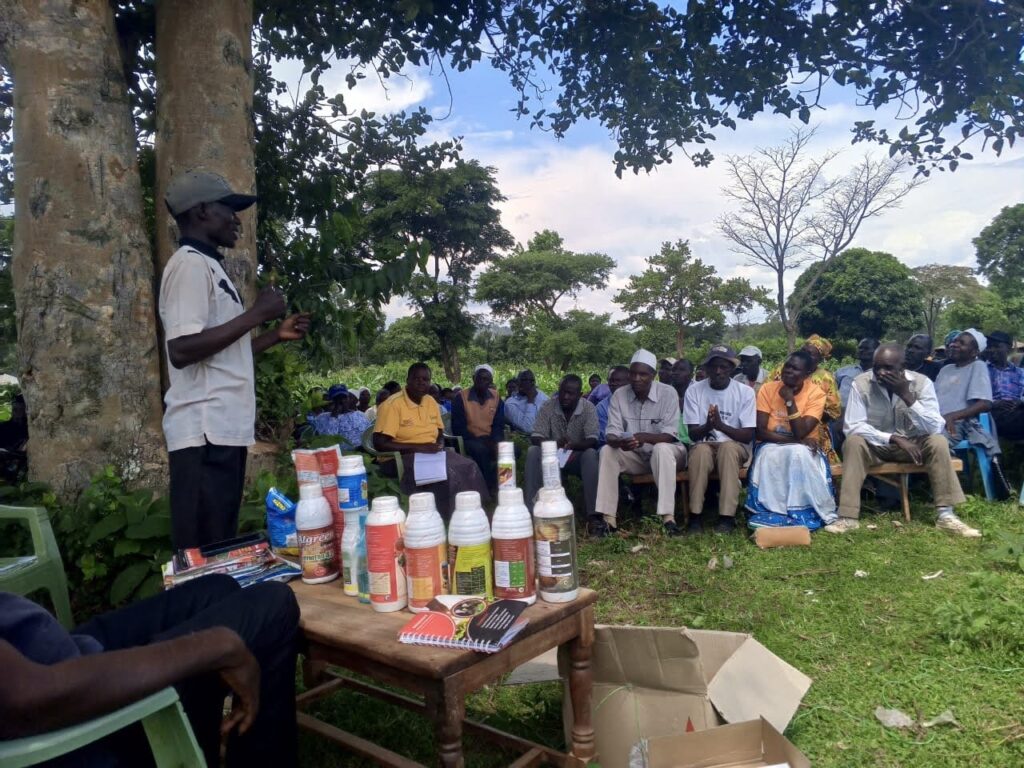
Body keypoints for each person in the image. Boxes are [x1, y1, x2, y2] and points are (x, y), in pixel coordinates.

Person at [0, 575, 300, 767]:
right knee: (274, 605)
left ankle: (202, 747)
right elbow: (23, 698)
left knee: (217, 589)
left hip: (47, 652)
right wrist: (212, 646)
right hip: (82, 725)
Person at [160, 170, 310, 550]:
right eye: (230, 209)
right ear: (202, 211)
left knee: (217, 543)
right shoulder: (189, 264)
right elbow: (181, 350)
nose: (237, 220)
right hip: (203, 432)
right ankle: (199, 608)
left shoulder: (209, 265)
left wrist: (275, 335)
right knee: (202, 552)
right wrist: (256, 315)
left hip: (221, 430)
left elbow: (219, 353)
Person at [827, 343, 979, 536]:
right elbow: (853, 426)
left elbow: (935, 426)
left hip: (914, 447)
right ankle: (847, 517)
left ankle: (946, 516)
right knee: (853, 441)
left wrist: (908, 397)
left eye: (888, 368)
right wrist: (893, 438)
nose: (881, 373)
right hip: (876, 448)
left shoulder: (922, 383)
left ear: (903, 366)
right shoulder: (861, 383)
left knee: (938, 441)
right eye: (877, 367)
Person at [373, 363, 490, 519]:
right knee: (448, 473)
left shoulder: (430, 402)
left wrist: (440, 443)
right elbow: (380, 443)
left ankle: (475, 510)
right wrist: (420, 448)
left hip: (430, 452)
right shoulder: (392, 405)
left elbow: (439, 431)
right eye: (417, 378)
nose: (422, 383)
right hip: (398, 457)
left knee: (468, 466)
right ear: (407, 380)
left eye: (426, 379)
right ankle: (452, 517)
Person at [593, 349, 687, 537]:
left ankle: (668, 519)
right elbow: (611, 433)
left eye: (643, 374)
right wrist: (621, 442)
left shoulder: (668, 393)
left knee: (661, 449)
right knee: (607, 451)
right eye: (633, 373)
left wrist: (643, 437)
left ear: (653, 376)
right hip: (636, 455)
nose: (637, 378)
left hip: (670, 454)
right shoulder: (620, 395)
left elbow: (670, 435)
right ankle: (608, 520)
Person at [745, 350, 839, 529]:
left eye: (795, 369)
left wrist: (789, 400)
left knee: (799, 453)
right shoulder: (768, 389)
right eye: (787, 366)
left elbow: (802, 432)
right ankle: (773, 509)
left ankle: (803, 510)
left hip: (804, 448)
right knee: (774, 453)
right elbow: (761, 432)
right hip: (770, 445)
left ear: (806, 374)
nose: (788, 371)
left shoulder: (816, 394)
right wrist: (796, 440)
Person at [683, 346, 756, 535]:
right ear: (706, 368)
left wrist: (721, 426)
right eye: (713, 367)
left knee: (728, 449)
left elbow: (747, 435)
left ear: (732, 369)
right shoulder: (694, 391)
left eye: (723, 367)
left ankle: (726, 517)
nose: (718, 371)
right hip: (704, 445)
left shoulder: (745, 392)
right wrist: (708, 426)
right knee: (699, 451)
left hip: (736, 448)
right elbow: (692, 435)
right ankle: (695, 515)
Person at [935, 329, 1013, 498]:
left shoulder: (977, 366)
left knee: (938, 442)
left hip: (959, 423)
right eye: (954, 341)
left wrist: (952, 416)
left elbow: (985, 403)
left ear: (975, 352)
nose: (954, 344)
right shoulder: (945, 369)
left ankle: (949, 495)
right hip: (936, 420)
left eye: (961, 343)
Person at [525, 375, 600, 519]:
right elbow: (535, 436)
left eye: (570, 394)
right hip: (551, 454)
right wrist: (554, 444)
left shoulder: (588, 408)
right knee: (533, 451)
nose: (565, 397)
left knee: (590, 454)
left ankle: (594, 514)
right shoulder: (548, 406)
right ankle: (530, 510)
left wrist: (573, 445)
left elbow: (592, 439)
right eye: (562, 392)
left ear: (580, 394)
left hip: (576, 455)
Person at [769, 335, 841, 463]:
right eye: (804, 351)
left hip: (813, 427)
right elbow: (769, 391)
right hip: (779, 420)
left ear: (820, 359)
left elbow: (833, 411)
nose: (805, 355)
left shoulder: (826, 378)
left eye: (811, 354)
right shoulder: (782, 369)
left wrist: (809, 413)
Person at [451, 364, 505, 489]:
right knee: (482, 451)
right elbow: (459, 428)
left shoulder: (496, 397)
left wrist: (496, 441)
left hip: (490, 439)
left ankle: (504, 483)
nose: (482, 381)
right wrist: (482, 441)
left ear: (491, 381)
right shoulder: (461, 397)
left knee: (509, 451)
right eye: (479, 378)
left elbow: (498, 424)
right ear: (473, 378)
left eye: (486, 379)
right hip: (469, 439)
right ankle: (488, 489)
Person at [985, 331, 1024, 440]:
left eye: (997, 346)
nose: (992, 350)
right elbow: (976, 399)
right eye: (989, 346)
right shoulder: (982, 370)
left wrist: (1020, 402)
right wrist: (994, 403)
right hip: (993, 414)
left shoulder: (1020, 372)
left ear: (1009, 349)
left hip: (1017, 411)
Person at [307, 384, 371, 449]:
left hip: (360, 452)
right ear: (331, 400)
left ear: (348, 398)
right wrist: (334, 415)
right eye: (337, 399)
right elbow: (328, 441)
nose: (342, 401)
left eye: (344, 397)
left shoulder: (360, 415)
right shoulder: (322, 418)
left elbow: (369, 436)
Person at [835, 338, 880, 408]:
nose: (862, 350)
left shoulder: (881, 374)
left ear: (877, 351)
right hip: (841, 417)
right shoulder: (843, 372)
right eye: (860, 348)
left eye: (866, 348)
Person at [505, 369, 548, 434]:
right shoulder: (510, 403)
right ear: (518, 382)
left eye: (531, 380)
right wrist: (530, 400)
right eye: (523, 380)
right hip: (524, 440)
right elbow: (528, 428)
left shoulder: (543, 396)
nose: (527, 382)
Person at [596, 366, 630, 445]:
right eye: (611, 380)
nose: (613, 384)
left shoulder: (639, 401)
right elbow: (604, 437)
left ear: (629, 382)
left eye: (618, 380)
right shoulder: (602, 407)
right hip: (612, 446)